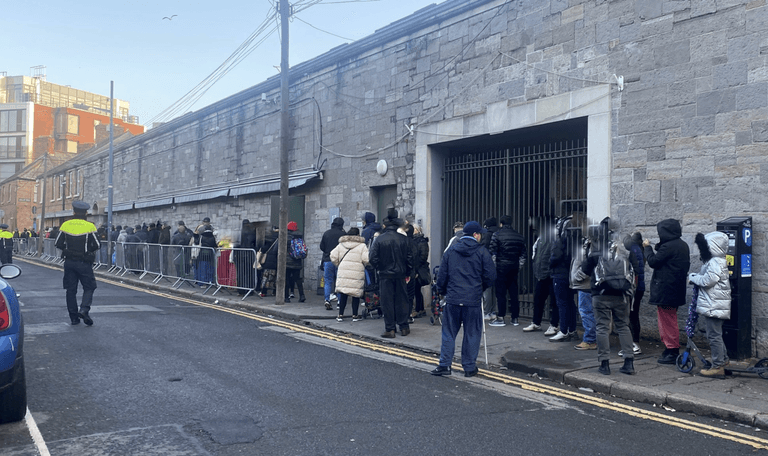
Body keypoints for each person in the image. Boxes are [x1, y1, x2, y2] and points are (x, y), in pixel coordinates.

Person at [430, 221, 496, 377]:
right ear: (475, 235)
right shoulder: (482, 252)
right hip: (472, 300)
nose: (481, 237)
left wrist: (442, 291)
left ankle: (445, 365)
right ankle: (469, 367)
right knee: (472, 333)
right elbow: (491, 276)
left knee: (448, 333)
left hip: (453, 299)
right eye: (480, 234)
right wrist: (481, 287)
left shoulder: (451, 251)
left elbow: (442, 276)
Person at [575, 220, 635, 375]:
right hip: (621, 295)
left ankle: (604, 364)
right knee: (623, 326)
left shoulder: (594, 252)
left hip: (600, 294)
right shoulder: (621, 250)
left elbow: (580, 275)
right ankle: (629, 363)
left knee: (602, 327)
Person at [644, 219, 690, 365]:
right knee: (669, 319)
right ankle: (670, 348)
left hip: (666, 289)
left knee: (667, 321)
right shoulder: (682, 245)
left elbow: (653, 261)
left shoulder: (669, 247)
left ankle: (672, 349)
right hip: (675, 289)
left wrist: (647, 248)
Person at [690, 231, 731, 379]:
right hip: (716, 304)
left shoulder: (714, 262)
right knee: (716, 335)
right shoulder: (718, 261)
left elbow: (708, 281)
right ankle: (723, 361)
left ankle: (717, 366)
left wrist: (693, 277)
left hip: (714, 305)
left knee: (714, 336)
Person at [55, 201, 100, 326]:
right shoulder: (90, 226)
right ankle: (84, 309)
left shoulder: (65, 225)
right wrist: (87, 252)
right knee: (89, 287)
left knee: (70, 290)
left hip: (69, 262)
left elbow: (58, 243)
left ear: (73, 212)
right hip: (84, 262)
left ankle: (74, 318)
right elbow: (97, 245)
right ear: (86, 213)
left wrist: (68, 250)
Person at [369, 208, 413, 338]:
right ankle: (404, 327)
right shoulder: (404, 239)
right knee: (402, 300)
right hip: (400, 274)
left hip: (385, 275)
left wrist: (380, 267)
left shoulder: (379, 240)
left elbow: (372, 258)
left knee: (387, 302)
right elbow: (410, 259)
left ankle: (390, 329)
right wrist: (407, 273)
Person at [522, 218, 559, 334]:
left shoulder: (555, 238)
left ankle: (554, 325)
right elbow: (536, 253)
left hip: (550, 274)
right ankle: (536, 323)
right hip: (541, 274)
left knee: (554, 302)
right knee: (538, 300)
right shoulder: (541, 238)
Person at [488, 215, 525, 327]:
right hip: (513, 267)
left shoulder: (496, 235)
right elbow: (523, 255)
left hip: (500, 268)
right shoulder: (519, 236)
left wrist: (494, 268)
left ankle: (501, 317)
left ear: (501, 224)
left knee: (501, 294)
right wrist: (518, 267)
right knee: (514, 293)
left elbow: (492, 253)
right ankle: (515, 318)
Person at [549, 216, 578, 342]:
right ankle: (572, 329)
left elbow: (554, 257)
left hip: (560, 275)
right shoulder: (576, 242)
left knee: (562, 303)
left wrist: (550, 264)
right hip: (570, 275)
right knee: (570, 303)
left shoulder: (560, 241)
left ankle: (564, 330)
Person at [331, 227, 369, 321]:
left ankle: (340, 315)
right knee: (355, 294)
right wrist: (362, 265)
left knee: (343, 293)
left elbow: (333, 256)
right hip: (357, 272)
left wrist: (339, 265)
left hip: (343, 271)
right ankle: (354, 315)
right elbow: (366, 259)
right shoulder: (362, 246)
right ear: (358, 235)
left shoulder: (341, 245)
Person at [622, 232, 645, 356]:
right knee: (633, 315)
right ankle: (634, 342)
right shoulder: (639, 249)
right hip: (638, 288)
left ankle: (634, 343)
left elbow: (634, 272)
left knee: (632, 315)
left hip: (634, 289)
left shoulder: (633, 251)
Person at [320, 217, 346, 309]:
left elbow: (321, 247)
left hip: (328, 260)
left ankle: (327, 300)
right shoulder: (343, 235)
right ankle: (339, 302)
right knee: (339, 281)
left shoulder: (326, 233)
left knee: (328, 281)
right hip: (339, 261)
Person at [480, 217, 500, 319]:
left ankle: (487, 312)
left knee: (488, 289)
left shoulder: (487, 235)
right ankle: (494, 311)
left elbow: (483, 249)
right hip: (499, 265)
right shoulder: (500, 233)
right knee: (496, 290)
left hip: (488, 265)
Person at [412, 224, 430, 319]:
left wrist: (416, 269)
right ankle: (420, 309)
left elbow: (423, 257)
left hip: (419, 269)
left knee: (416, 289)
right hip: (415, 268)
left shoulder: (422, 241)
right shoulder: (413, 240)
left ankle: (419, 309)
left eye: (415, 229)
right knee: (416, 290)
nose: (413, 231)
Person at [285, 221, 306, 303]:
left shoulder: (286, 237)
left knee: (286, 279)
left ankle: (286, 297)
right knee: (298, 279)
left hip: (287, 262)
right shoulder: (300, 237)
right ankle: (302, 295)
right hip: (297, 261)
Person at [259, 227, 279, 297]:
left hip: (267, 261)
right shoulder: (279, 240)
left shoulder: (269, 240)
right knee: (274, 278)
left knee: (265, 277)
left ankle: (264, 292)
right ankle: (274, 292)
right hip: (276, 262)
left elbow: (263, 249)